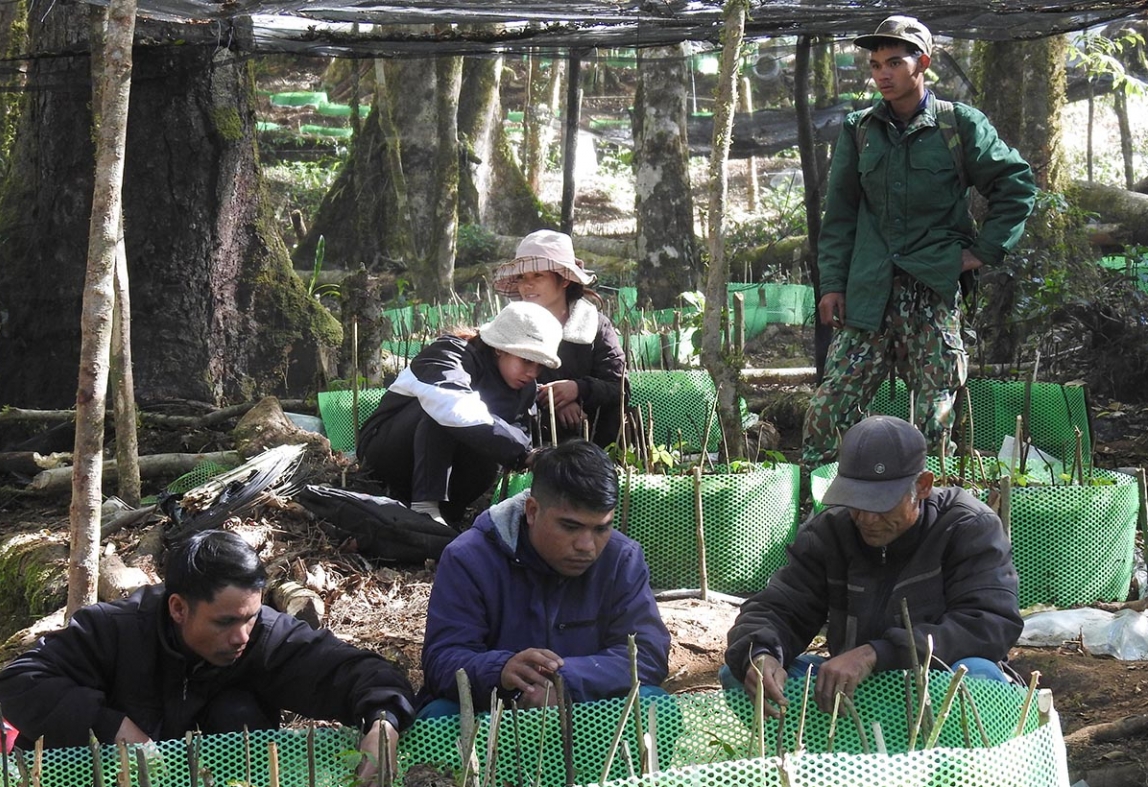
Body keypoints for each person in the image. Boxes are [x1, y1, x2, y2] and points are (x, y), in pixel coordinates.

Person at [0, 530, 416, 787]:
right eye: (225, 622)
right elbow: (18, 683)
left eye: (250, 617)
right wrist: (110, 726)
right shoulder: (114, 629)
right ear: (178, 608)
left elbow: (363, 673)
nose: (241, 636)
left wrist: (383, 722)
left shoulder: (262, 635)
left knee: (239, 712)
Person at [803, 15, 1038, 468]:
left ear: (922, 63)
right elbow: (841, 215)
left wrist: (982, 252)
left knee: (934, 420)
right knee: (827, 412)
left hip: (932, 291)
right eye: (874, 65)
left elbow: (1016, 186)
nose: (882, 74)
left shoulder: (959, 125)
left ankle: (929, 519)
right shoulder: (859, 129)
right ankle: (824, 520)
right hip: (867, 293)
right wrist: (832, 285)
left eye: (894, 62)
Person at [724, 415, 1023, 718]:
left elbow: (990, 624)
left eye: (881, 504)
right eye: (856, 501)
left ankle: (957, 765)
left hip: (932, 682)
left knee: (978, 676)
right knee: (740, 675)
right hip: (852, 691)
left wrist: (877, 653)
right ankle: (814, 761)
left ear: (922, 486)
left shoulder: (969, 527)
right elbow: (779, 608)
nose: (866, 519)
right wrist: (760, 654)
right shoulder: (829, 532)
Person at [419, 439, 670, 716]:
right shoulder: (468, 558)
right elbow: (441, 660)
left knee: (655, 706)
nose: (586, 545)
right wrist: (501, 672)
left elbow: (647, 654)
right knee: (439, 715)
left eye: (601, 528)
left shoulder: (622, 558)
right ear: (532, 511)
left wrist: (564, 681)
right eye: (570, 526)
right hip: (493, 711)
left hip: (587, 708)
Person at [357, 300, 563, 525]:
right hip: (389, 454)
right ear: (499, 348)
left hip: (449, 474)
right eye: (526, 361)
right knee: (445, 412)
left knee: (490, 451)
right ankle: (425, 506)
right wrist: (522, 453)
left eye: (540, 365)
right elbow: (452, 407)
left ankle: (447, 514)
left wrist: (530, 454)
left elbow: (518, 435)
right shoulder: (449, 354)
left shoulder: (526, 389)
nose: (533, 372)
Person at [494, 230, 628, 449]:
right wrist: (552, 400)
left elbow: (618, 387)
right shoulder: (509, 326)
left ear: (564, 280)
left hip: (596, 441)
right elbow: (495, 383)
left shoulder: (595, 325)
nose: (528, 285)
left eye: (538, 276)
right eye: (521, 277)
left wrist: (578, 388)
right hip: (530, 442)